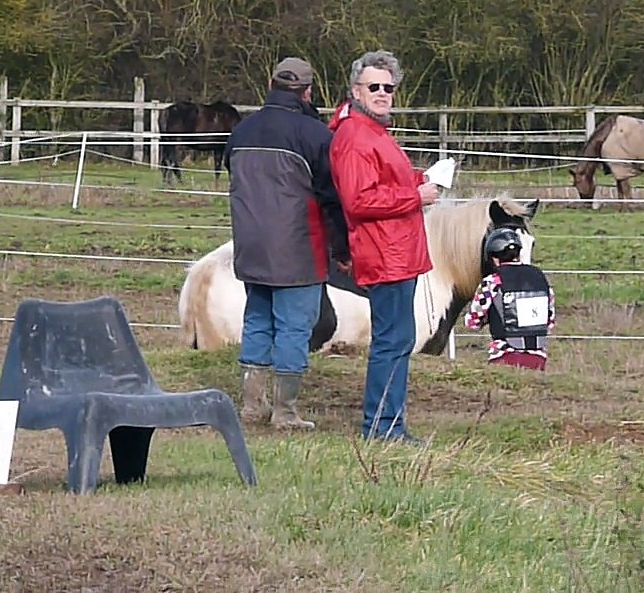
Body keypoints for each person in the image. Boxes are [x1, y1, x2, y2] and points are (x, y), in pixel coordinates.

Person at [224, 56, 350, 430]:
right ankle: (286, 411)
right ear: (307, 92)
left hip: (250, 245)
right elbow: (332, 198)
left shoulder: (241, 131)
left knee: (257, 320)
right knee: (295, 327)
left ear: (271, 85)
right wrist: (343, 249)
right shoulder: (315, 136)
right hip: (298, 248)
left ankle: (252, 405)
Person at [328, 49, 440, 444]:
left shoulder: (374, 132)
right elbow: (358, 200)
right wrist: (415, 197)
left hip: (398, 249)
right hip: (384, 251)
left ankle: (387, 423)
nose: (381, 93)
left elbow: (382, 180)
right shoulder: (355, 136)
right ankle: (382, 426)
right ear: (356, 90)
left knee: (399, 339)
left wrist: (418, 179)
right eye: (373, 86)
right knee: (392, 340)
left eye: (388, 88)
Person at [464, 227, 556, 371]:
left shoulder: (492, 282)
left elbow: (472, 322)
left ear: (494, 258)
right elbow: (549, 321)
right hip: (538, 359)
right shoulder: (540, 278)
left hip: (504, 357)